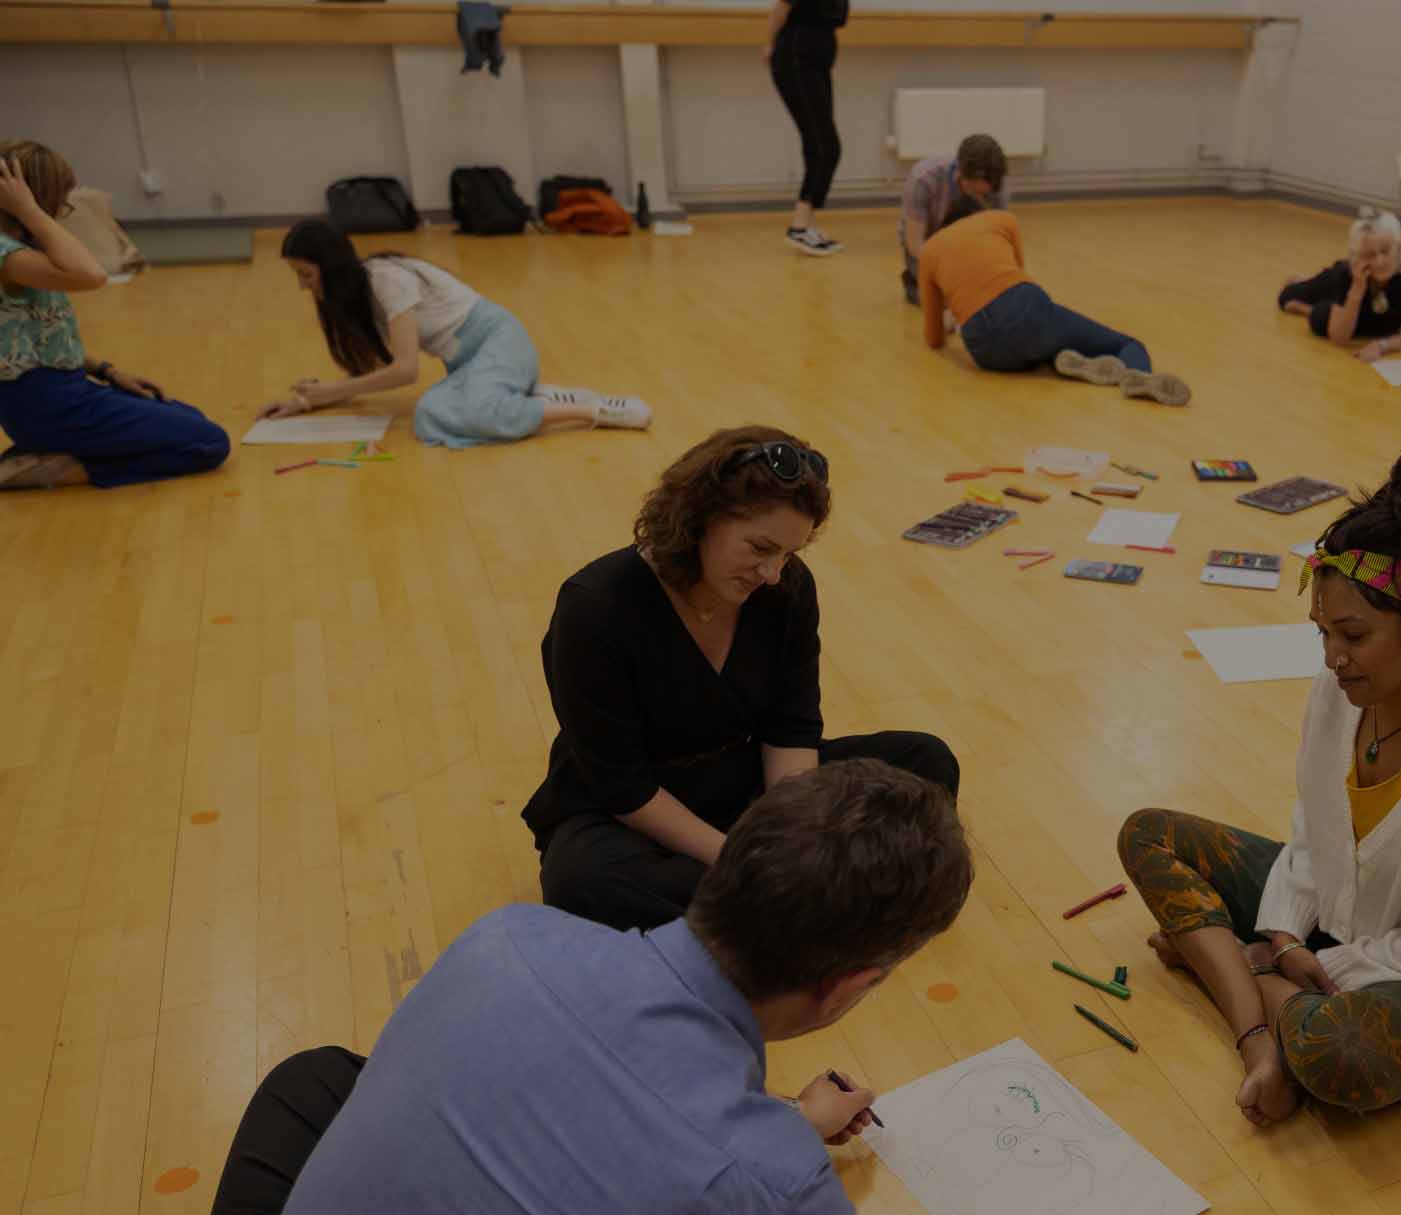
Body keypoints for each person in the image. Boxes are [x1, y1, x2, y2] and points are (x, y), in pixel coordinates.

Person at [180, 759, 1074, 1215]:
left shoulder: (507, 938)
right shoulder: (776, 1189)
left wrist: (780, 1129)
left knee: (319, 1078)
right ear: (847, 988)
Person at [1117, 451, 1401, 1125]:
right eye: (1322, 630)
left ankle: (1227, 969)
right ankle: (1260, 1034)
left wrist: (1300, 959)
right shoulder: (1342, 688)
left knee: (1336, 1049)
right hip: (1343, 921)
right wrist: (1288, 939)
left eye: (1353, 634)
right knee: (1148, 833)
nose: (1330, 656)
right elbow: (1313, 832)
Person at [521, 425, 962, 930]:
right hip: (631, 812)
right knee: (582, 882)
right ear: (699, 519)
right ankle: (806, 900)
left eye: (788, 555)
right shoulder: (595, 606)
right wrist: (742, 858)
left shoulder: (786, 588)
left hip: (742, 781)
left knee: (924, 762)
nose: (772, 573)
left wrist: (793, 831)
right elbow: (622, 786)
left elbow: (790, 729)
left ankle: (765, 908)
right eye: (759, 548)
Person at [261, 220, 650, 448]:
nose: (302, 286)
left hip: (501, 343)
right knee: (429, 417)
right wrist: (307, 402)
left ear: (330, 267)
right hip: (471, 364)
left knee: (460, 412)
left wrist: (328, 392)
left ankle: (590, 411)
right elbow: (376, 368)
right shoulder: (362, 295)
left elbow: (405, 371)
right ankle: (535, 396)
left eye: (305, 275)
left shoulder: (386, 280)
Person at [0, 143, 229, 491]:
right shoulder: (9, 256)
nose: (64, 208)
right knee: (208, 442)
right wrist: (31, 211)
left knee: (188, 418)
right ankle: (68, 467)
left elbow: (40, 338)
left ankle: (53, 453)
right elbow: (92, 275)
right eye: (58, 199)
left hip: (64, 392)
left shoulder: (23, 247)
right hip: (47, 406)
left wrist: (108, 372)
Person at [920, 199, 1191, 406]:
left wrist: (950, 322)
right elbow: (1018, 275)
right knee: (1126, 343)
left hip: (984, 351)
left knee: (1033, 351)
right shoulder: (1001, 219)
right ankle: (1139, 375)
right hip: (1023, 309)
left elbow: (933, 339)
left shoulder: (930, 250)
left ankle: (1062, 363)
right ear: (980, 212)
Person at [1276, 209, 1401, 360]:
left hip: (1384, 316)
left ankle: (1313, 310)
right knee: (1287, 298)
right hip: (1342, 285)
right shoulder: (1347, 273)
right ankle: (1307, 287)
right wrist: (1357, 289)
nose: (1380, 261)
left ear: (1398, 248)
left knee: (1324, 320)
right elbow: (1339, 338)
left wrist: (1381, 346)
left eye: (1385, 251)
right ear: (1357, 256)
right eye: (1369, 255)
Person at [764, 0, 849, 257]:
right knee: (826, 146)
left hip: (816, 61)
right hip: (796, 58)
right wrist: (770, 44)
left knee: (820, 144)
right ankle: (799, 224)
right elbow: (781, 8)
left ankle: (807, 224)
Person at [899, 133, 1010, 304]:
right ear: (960, 173)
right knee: (951, 298)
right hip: (929, 246)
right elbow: (915, 243)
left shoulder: (998, 188)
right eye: (975, 191)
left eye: (985, 193)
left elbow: (1000, 243)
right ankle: (918, 284)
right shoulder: (923, 180)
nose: (982, 196)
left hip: (971, 248)